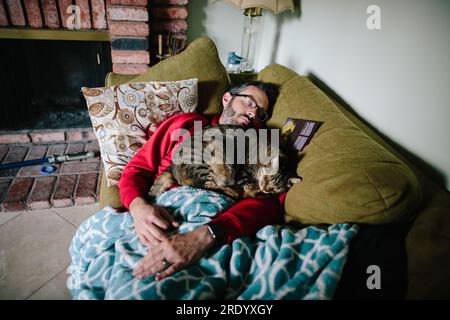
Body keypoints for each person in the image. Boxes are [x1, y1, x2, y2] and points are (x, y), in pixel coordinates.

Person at [117, 81, 285, 281]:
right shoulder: (187, 124)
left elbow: (270, 202)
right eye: (249, 103)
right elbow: (138, 169)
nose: (253, 114)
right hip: (159, 213)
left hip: (212, 224)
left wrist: (210, 233)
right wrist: (138, 207)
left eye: (261, 113)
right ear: (227, 99)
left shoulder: (257, 144)